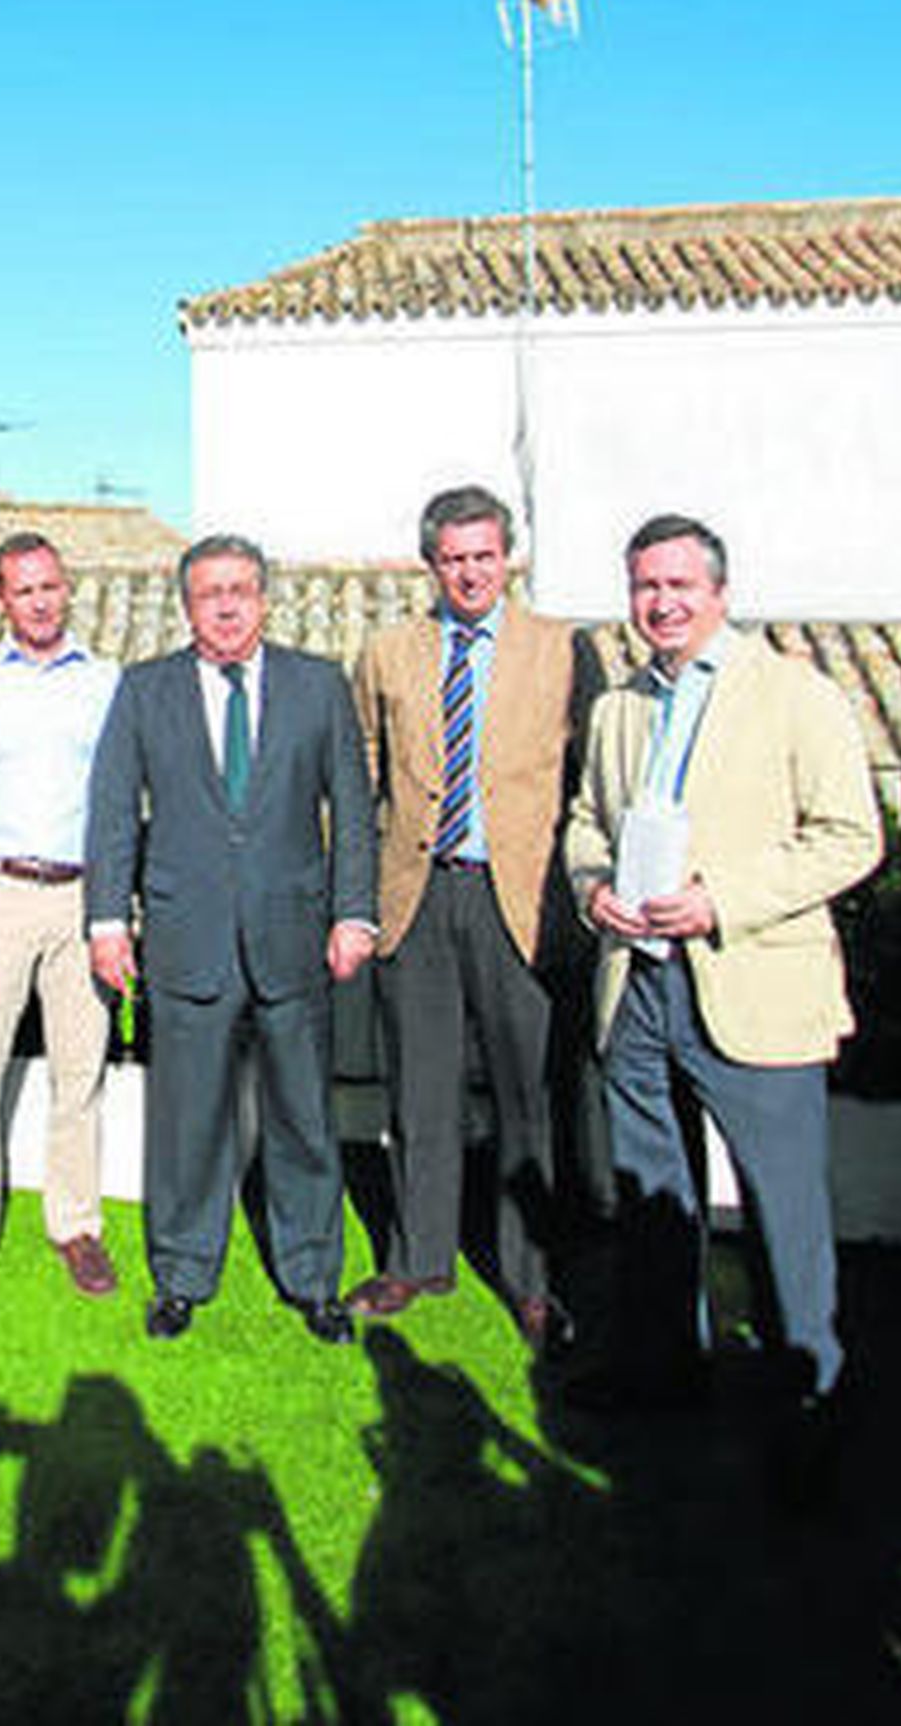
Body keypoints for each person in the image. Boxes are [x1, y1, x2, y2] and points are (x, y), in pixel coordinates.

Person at [563, 514, 880, 1428]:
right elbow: (588, 819)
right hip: (638, 987)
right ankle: (662, 1371)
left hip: (749, 985)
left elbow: (851, 838)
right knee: (653, 1198)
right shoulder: (619, 705)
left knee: (785, 1213)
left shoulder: (795, 694)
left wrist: (721, 899)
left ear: (719, 593)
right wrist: (592, 892)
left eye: (677, 586)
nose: (659, 603)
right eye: (644, 587)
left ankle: (807, 1399)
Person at [85, 534, 375, 1343]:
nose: (225, 604)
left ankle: (314, 1276)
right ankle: (181, 1274)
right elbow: (113, 812)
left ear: (265, 597)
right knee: (188, 1120)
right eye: (209, 591)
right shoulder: (146, 691)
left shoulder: (319, 687)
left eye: (240, 589)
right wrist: (110, 921)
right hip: (187, 938)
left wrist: (355, 913)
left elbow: (352, 807)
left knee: (304, 1119)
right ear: (186, 604)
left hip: (295, 938)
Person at [345, 485, 591, 1346]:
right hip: (416, 896)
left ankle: (531, 1278)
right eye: (454, 558)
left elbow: (589, 782)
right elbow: (364, 775)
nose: (470, 571)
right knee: (419, 1088)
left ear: (509, 557)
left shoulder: (562, 650)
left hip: (517, 898)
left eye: (484, 555)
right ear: (431, 564)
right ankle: (418, 1258)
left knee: (530, 1097)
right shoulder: (387, 652)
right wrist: (356, 901)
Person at [0, 533, 121, 1314]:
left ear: (67, 588)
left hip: (83, 895)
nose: (39, 601)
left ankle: (75, 1225)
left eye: (49, 586)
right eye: (22, 590)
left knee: (82, 1072)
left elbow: (122, 796)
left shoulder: (109, 683)